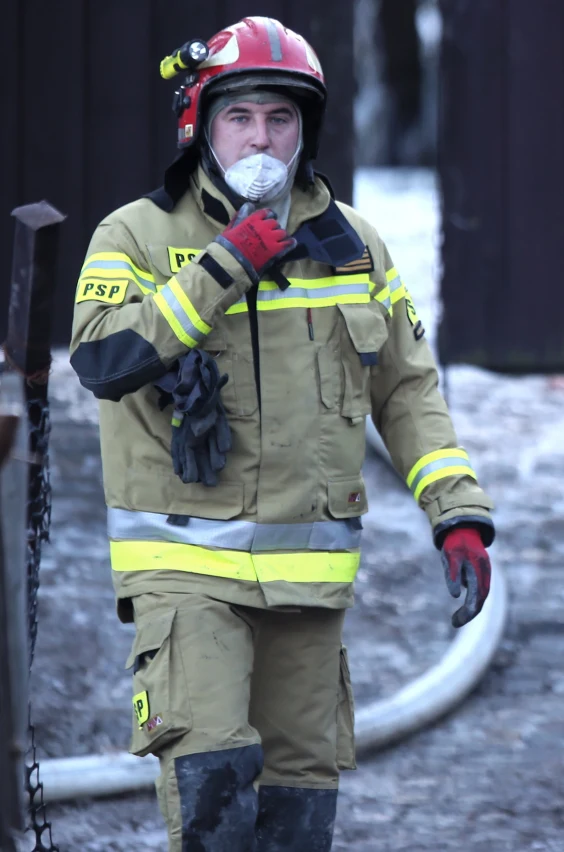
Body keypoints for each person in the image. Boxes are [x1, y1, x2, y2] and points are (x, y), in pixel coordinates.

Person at [68, 17, 495, 851]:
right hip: (186, 576)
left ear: (306, 129)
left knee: (298, 820)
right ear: (201, 124)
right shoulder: (135, 235)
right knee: (215, 799)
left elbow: (407, 389)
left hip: (308, 587)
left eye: (281, 119)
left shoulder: (353, 248)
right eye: (241, 117)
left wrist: (459, 514)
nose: (262, 138)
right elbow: (101, 359)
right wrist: (226, 263)